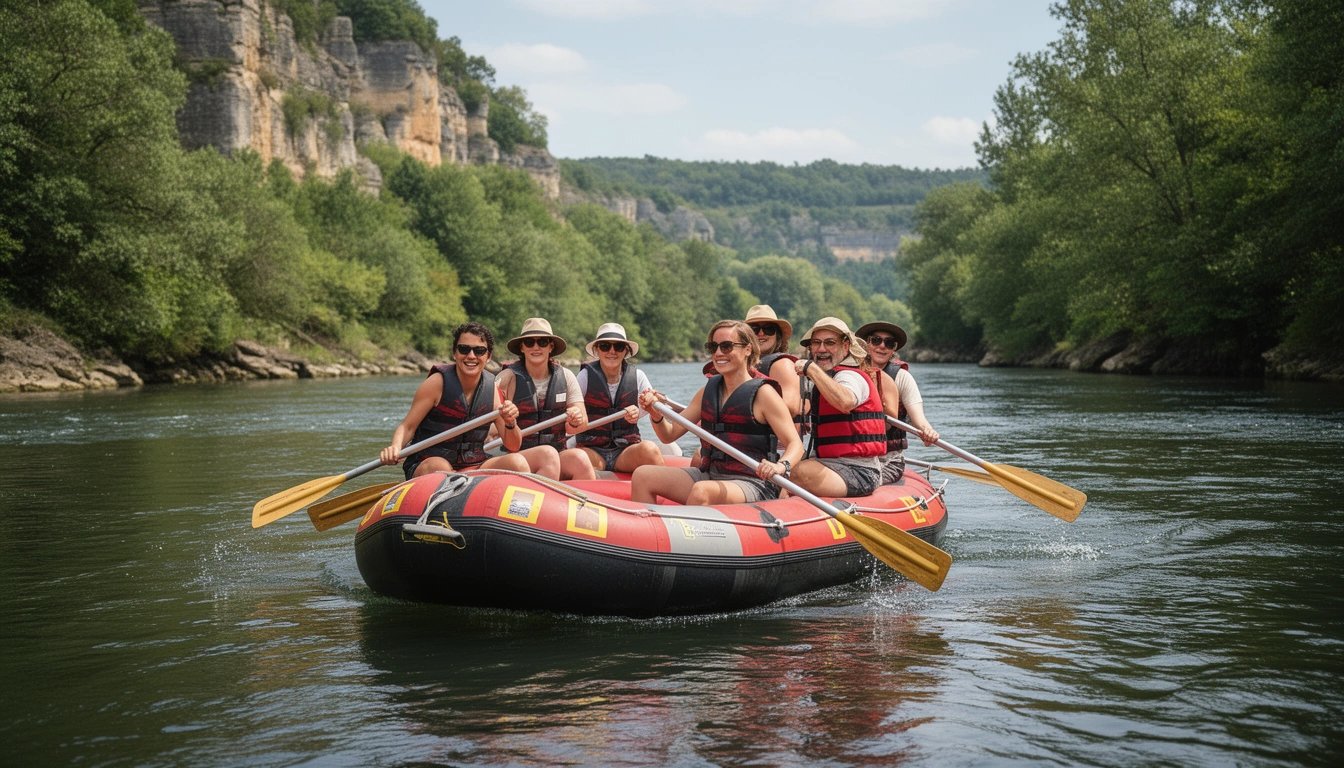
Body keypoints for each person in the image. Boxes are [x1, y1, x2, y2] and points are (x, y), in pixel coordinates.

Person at [632, 320, 803, 505]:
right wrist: (655, 415)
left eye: (727, 346)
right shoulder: (707, 392)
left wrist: (781, 466)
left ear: (748, 349)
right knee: (643, 475)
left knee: (702, 491)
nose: (718, 353)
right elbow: (669, 435)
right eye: (713, 347)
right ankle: (649, 523)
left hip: (753, 482)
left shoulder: (764, 394)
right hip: (711, 475)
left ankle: (687, 523)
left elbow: (796, 445)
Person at [380, 322, 529, 479]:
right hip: (430, 464)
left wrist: (510, 422)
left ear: (488, 356)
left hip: (474, 464)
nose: (471, 356)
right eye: (464, 349)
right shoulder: (436, 383)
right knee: (440, 466)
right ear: (454, 353)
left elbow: (513, 446)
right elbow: (408, 427)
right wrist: (395, 447)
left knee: (517, 462)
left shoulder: (492, 390)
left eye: (479, 351)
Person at [790, 317, 887, 498]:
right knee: (786, 467)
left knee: (801, 472)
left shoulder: (849, 376)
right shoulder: (825, 379)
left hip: (860, 472)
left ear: (846, 347)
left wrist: (811, 369)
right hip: (827, 464)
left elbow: (845, 402)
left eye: (829, 343)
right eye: (816, 343)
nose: (821, 349)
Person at [495, 318, 596, 481]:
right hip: (519, 456)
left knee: (580, 458)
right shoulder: (506, 379)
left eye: (542, 342)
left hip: (556, 452)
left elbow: (582, 423)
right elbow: (492, 426)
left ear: (551, 346)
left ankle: (583, 498)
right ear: (522, 347)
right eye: (529, 342)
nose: (536, 347)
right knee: (547, 455)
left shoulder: (566, 376)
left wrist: (575, 420)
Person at [855, 321, 939, 485]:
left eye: (889, 343)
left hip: (887, 459)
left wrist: (928, 431)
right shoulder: (850, 374)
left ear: (894, 349)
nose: (882, 346)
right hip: (851, 456)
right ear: (866, 344)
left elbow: (919, 418)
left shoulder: (902, 377)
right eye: (876, 340)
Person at [575, 323, 665, 474]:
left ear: (625, 350)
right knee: (576, 458)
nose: (612, 351)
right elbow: (573, 410)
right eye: (605, 346)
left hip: (625, 452)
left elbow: (653, 408)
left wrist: (645, 406)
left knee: (650, 449)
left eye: (618, 346)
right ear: (597, 350)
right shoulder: (584, 377)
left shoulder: (638, 376)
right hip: (592, 451)